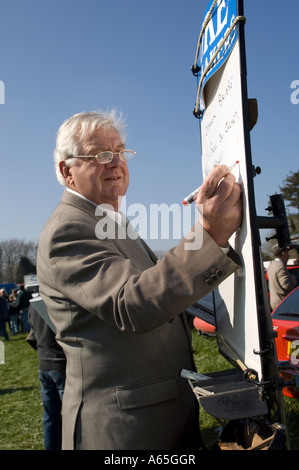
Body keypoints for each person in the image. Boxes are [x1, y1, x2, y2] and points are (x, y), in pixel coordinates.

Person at [37, 110, 242, 450]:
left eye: (120, 152)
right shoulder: (68, 229)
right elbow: (131, 304)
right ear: (66, 171)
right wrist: (209, 235)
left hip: (155, 414)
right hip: (125, 427)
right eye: (101, 155)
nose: (115, 163)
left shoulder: (108, 220)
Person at [28, 303, 66, 450]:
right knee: (72, 418)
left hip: (44, 365)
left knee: (50, 417)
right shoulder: (56, 301)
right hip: (61, 364)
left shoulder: (33, 306)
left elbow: (33, 338)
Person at [267, 246, 297, 311]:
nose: (288, 255)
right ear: (283, 253)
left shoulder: (271, 265)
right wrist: (293, 281)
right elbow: (286, 285)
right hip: (283, 304)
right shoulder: (280, 266)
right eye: (287, 253)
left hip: (275, 303)